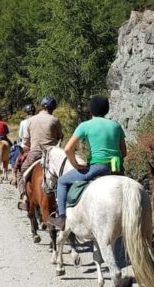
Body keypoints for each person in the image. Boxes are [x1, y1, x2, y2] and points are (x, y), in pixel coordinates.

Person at [49, 96, 126, 230]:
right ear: (106, 110)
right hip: (117, 168)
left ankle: (61, 218)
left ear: (91, 110)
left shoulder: (85, 125)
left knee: (61, 181)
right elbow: (124, 152)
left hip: (97, 167)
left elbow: (67, 149)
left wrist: (76, 165)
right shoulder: (116, 125)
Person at [17, 97, 64, 210]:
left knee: (21, 171)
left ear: (42, 107)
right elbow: (60, 137)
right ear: (53, 108)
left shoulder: (30, 120)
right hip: (52, 153)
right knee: (63, 173)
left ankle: (25, 199)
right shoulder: (54, 120)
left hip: (35, 152)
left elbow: (26, 141)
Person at [11, 104, 36, 185]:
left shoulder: (23, 122)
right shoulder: (37, 120)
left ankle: (15, 175)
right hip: (37, 143)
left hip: (26, 144)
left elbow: (20, 135)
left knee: (14, 154)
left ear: (26, 113)